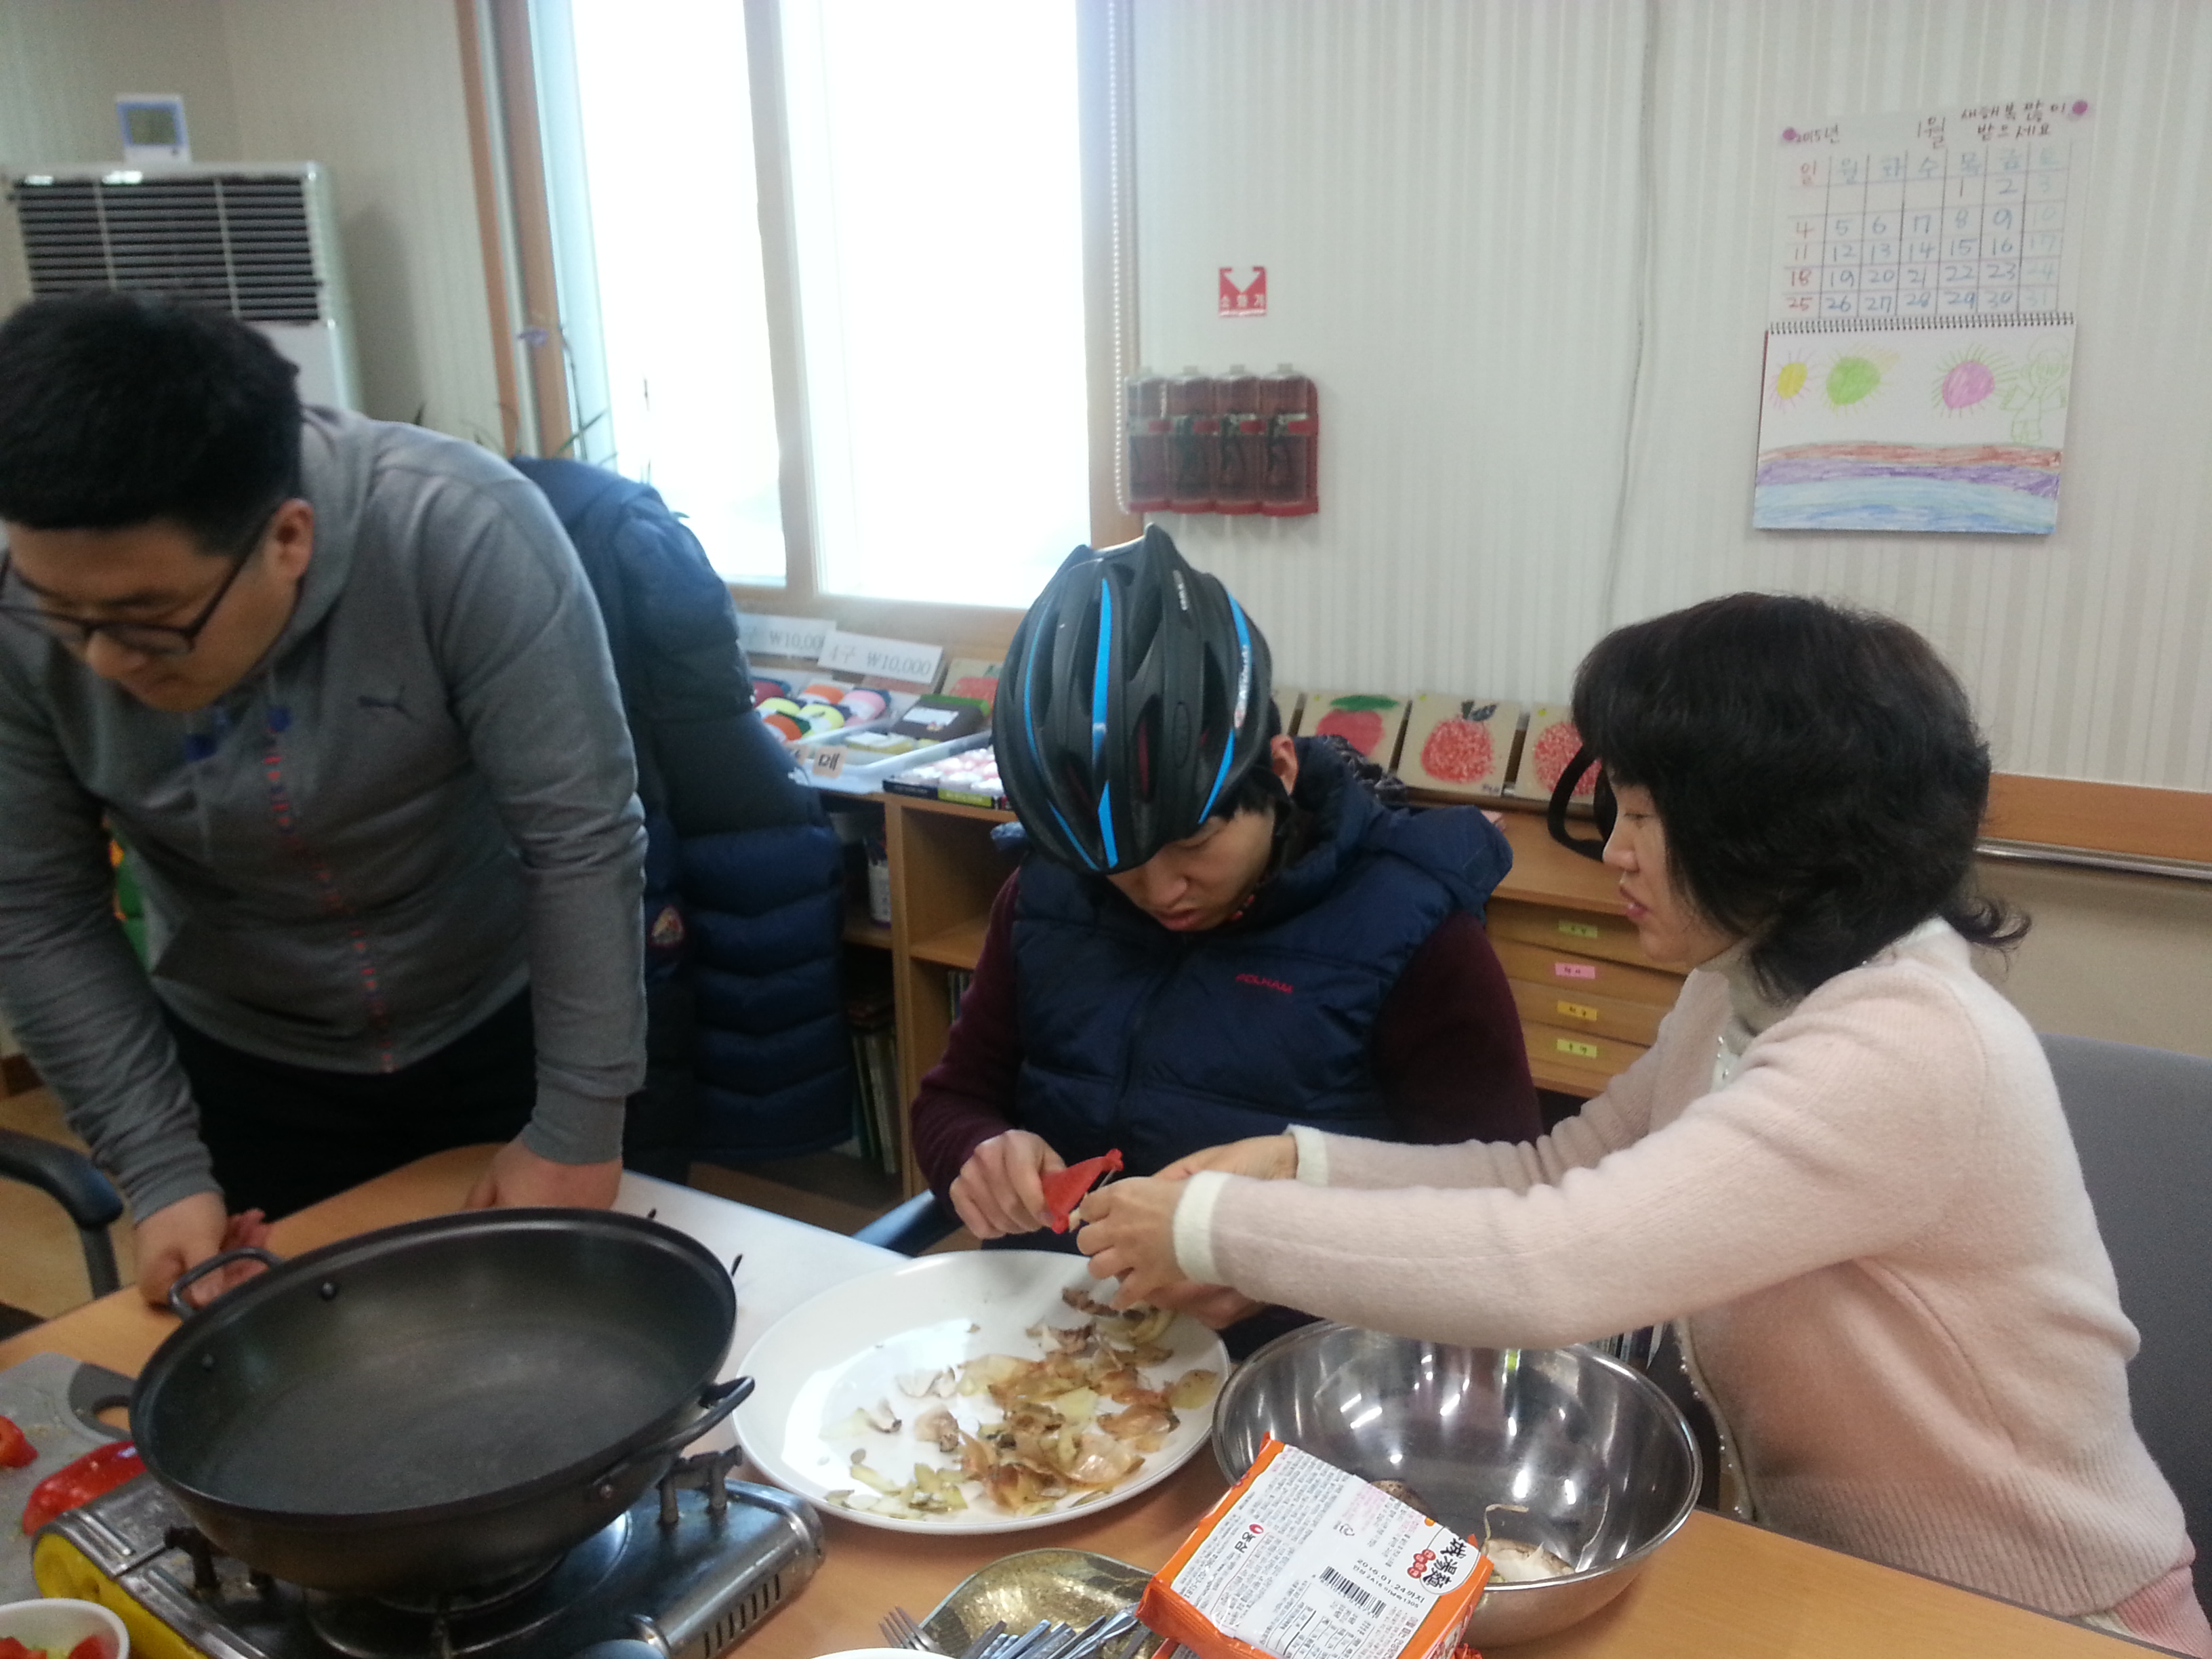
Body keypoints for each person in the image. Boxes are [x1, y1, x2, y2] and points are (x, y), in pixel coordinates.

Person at [1077, 592, 2208, 1653]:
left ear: (1770, 832)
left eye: (1646, 814)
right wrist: (1299, 1164)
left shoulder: (1903, 1044)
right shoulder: (1741, 984)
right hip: (1838, 1572)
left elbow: (1550, 1264)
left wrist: (1216, 1228)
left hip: (2042, 1612)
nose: (1614, 847)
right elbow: (1551, 1172)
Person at [0, 293, 647, 1305]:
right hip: (245, 1054)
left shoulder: (457, 528)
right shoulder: (20, 618)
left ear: (289, 538)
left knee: (568, 1326)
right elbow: (38, 907)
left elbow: (578, 840)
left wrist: (575, 1127)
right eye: (61, 615)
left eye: (148, 619)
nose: (102, 660)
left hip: (504, 1016)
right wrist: (160, 1168)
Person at [910, 527, 1540, 1346]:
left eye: (1195, 843)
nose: (1159, 891)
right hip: (1057, 1344)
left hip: (1300, 1364)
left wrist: (1277, 1265)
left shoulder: (1414, 932)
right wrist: (979, 1152)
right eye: (1114, 865)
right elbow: (953, 1098)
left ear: (1279, 770)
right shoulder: (1044, 896)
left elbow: (1497, 1213)